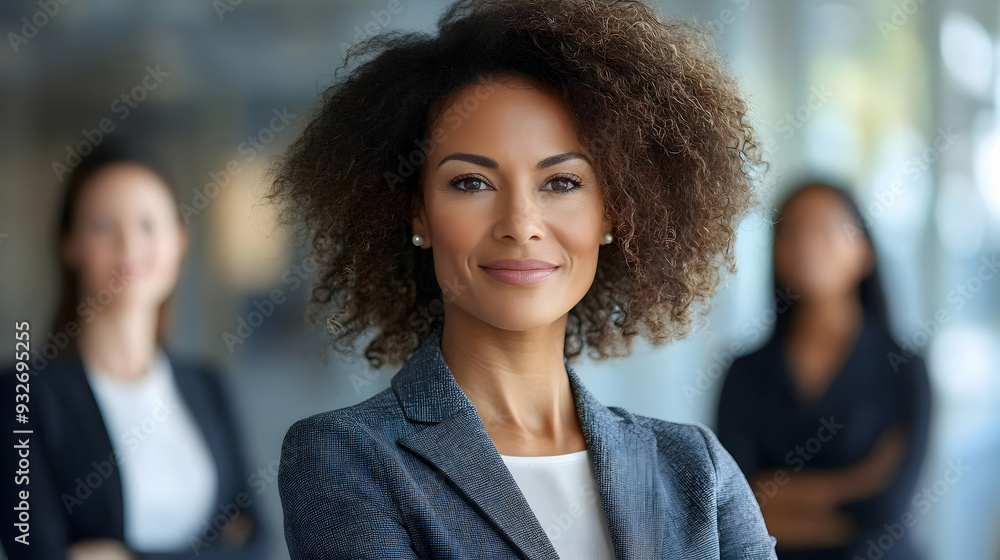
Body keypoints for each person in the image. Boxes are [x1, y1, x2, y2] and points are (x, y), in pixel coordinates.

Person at [270, 0, 777, 557]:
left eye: (560, 183)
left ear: (614, 212)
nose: (520, 226)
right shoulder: (346, 456)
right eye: (470, 183)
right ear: (418, 213)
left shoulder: (695, 468)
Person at [0, 141, 269, 560]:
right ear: (68, 243)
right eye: (104, 226)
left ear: (180, 241)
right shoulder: (22, 395)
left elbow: (258, 545)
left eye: (148, 224)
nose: (129, 245)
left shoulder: (208, 387)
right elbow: (34, 553)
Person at [715, 180, 933, 559]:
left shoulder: (903, 369)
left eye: (825, 228)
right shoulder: (745, 373)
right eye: (792, 231)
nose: (807, 244)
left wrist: (777, 501)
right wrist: (853, 484)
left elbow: (885, 512)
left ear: (864, 251)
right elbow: (730, 511)